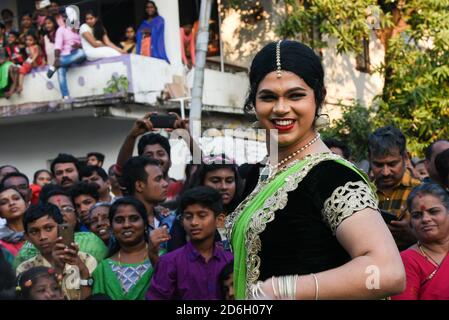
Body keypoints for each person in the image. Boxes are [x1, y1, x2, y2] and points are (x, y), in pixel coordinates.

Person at [226, 40, 405, 300]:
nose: (281, 108)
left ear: (320, 97)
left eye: (295, 95)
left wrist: (283, 290)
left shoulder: (332, 176)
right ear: (253, 101)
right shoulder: (258, 175)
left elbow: (388, 272)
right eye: (268, 97)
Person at [146, 187, 233, 300]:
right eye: (188, 216)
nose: (194, 222)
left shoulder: (230, 261)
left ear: (219, 220)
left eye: (202, 215)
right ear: (182, 221)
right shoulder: (169, 262)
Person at [14, 187, 108, 272]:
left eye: (67, 208)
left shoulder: (88, 250)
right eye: (54, 209)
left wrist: (81, 267)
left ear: (77, 214)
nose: (62, 213)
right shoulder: (25, 264)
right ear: (27, 237)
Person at [16, 203, 97, 300]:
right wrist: (56, 269)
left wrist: (83, 271)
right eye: (34, 231)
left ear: (61, 228)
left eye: (49, 228)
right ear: (27, 237)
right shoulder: (25, 269)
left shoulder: (85, 260)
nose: (42, 237)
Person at [391, 184, 449, 300]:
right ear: (411, 222)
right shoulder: (406, 261)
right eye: (417, 215)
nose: (425, 219)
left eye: (433, 212)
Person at [368, 126, 421, 250]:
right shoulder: (363, 192)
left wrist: (413, 237)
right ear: (369, 158)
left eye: (392, 164)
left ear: (405, 158)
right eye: (378, 165)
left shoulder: (422, 191)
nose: (386, 172)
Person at [92, 197, 154, 300]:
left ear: (145, 224)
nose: (126, 225)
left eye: (134, 218)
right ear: (111, 227)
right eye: (119, 220)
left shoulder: (163, 258)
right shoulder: (103, 269)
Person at [121, 156, 175, 235]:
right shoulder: (122, 226)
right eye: (158, 179)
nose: (165, 184)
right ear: (139, 186)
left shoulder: (169, 219)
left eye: (163, 178)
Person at [52, 6, 86, 99]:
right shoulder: (61, 29)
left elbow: (85, 46)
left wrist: (78, 46)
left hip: (76, 55)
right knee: (60, 70)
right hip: (65, 56)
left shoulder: (78, 30)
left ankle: (57, 65)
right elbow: (57, 47)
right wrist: (56, 58)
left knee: (82, 53)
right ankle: (65, 96)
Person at [0, 187, 27, 259]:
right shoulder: (1, 244)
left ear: (26, 203)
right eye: (4, 202)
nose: (11, 203)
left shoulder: (39, 231)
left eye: (16, 198)